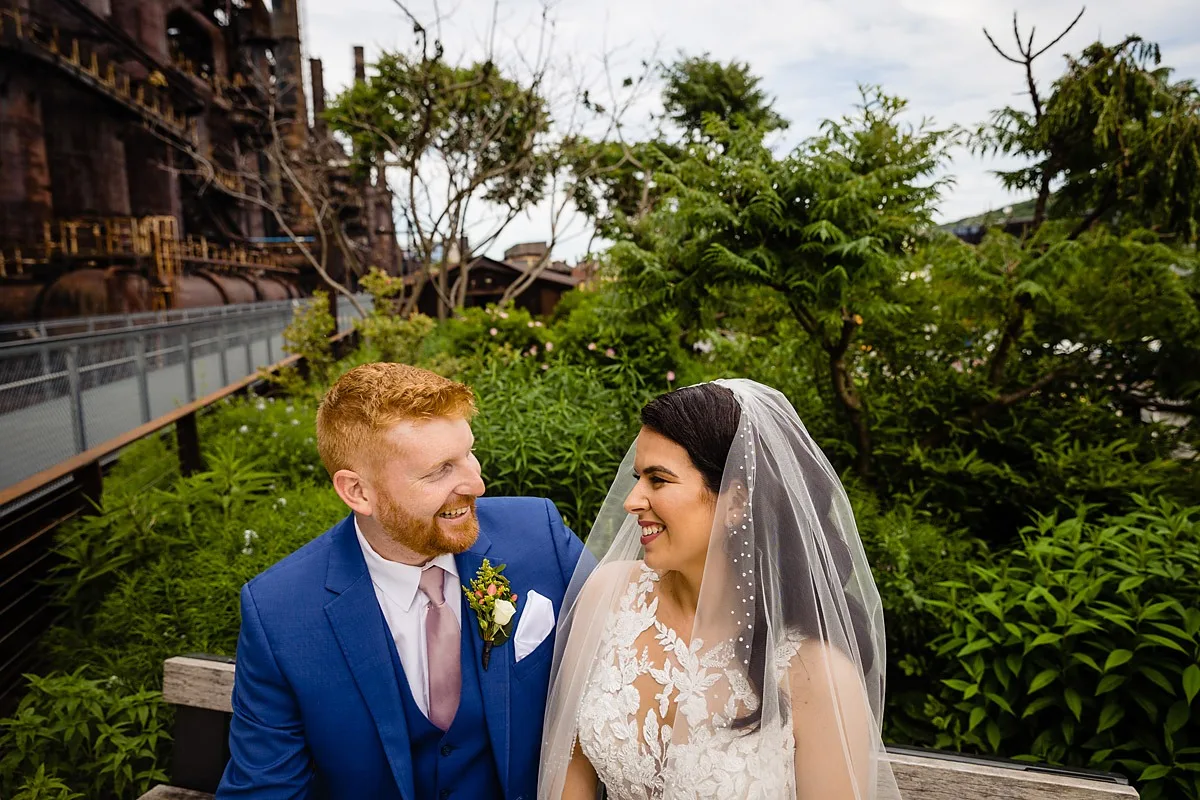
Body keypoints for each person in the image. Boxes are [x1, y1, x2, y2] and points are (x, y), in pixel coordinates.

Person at [217, 363, 585, 800]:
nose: (477, 483)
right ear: (357, 492)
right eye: (439, 470)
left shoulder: (539, 536)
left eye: (468, 452)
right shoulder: (279, 613)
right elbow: (263, 791)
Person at [539, 379, 903, 799]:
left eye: (658, 480)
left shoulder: (817, 672)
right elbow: (570, 777)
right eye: (639, 477)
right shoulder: (609, 595)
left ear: (736, 501)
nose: (632, 500)